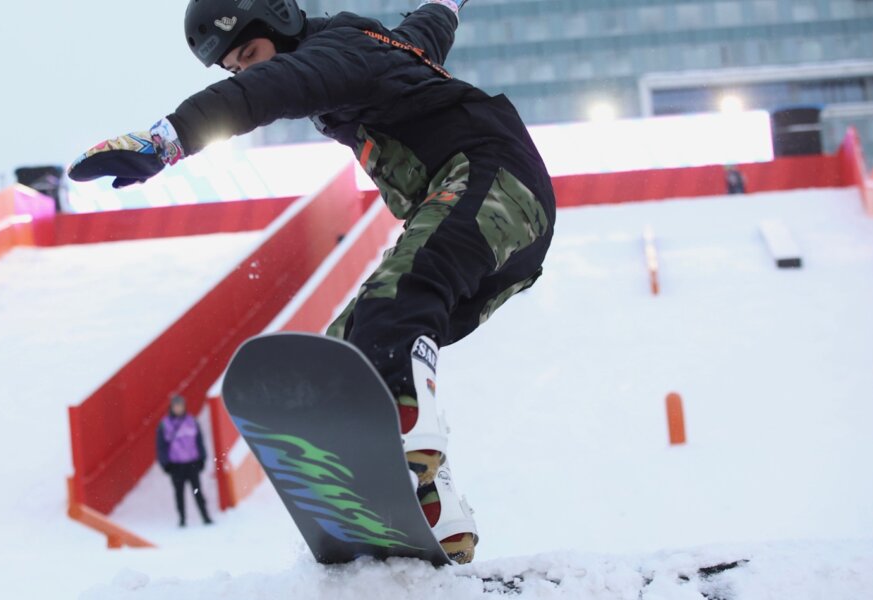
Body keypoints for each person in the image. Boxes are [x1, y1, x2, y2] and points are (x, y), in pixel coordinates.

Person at [70, 0, 555, 563]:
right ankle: (434, 510)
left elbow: (266, 91)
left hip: (490, 181)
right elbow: (430, 25)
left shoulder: (332, 56)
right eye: (233, 67)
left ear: (280, 22)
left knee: (393, 306)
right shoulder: (383, 45)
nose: (247, 72)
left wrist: (167, 139)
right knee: (345, 352)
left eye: (250, 54)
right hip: (506, 233)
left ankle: (406, 429)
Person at [156, 395, 213, 527]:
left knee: (197, 491)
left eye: (180, 405)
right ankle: (182, 519)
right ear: (171, 407)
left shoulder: (191, 421)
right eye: (176, 406)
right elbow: (161, 446)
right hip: (176, 465)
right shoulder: (165, 424)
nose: (178, 408)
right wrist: (165, 464)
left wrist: (202, 458)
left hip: (192, 463)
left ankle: (205, 516)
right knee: (179, 493)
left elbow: (199, 442)